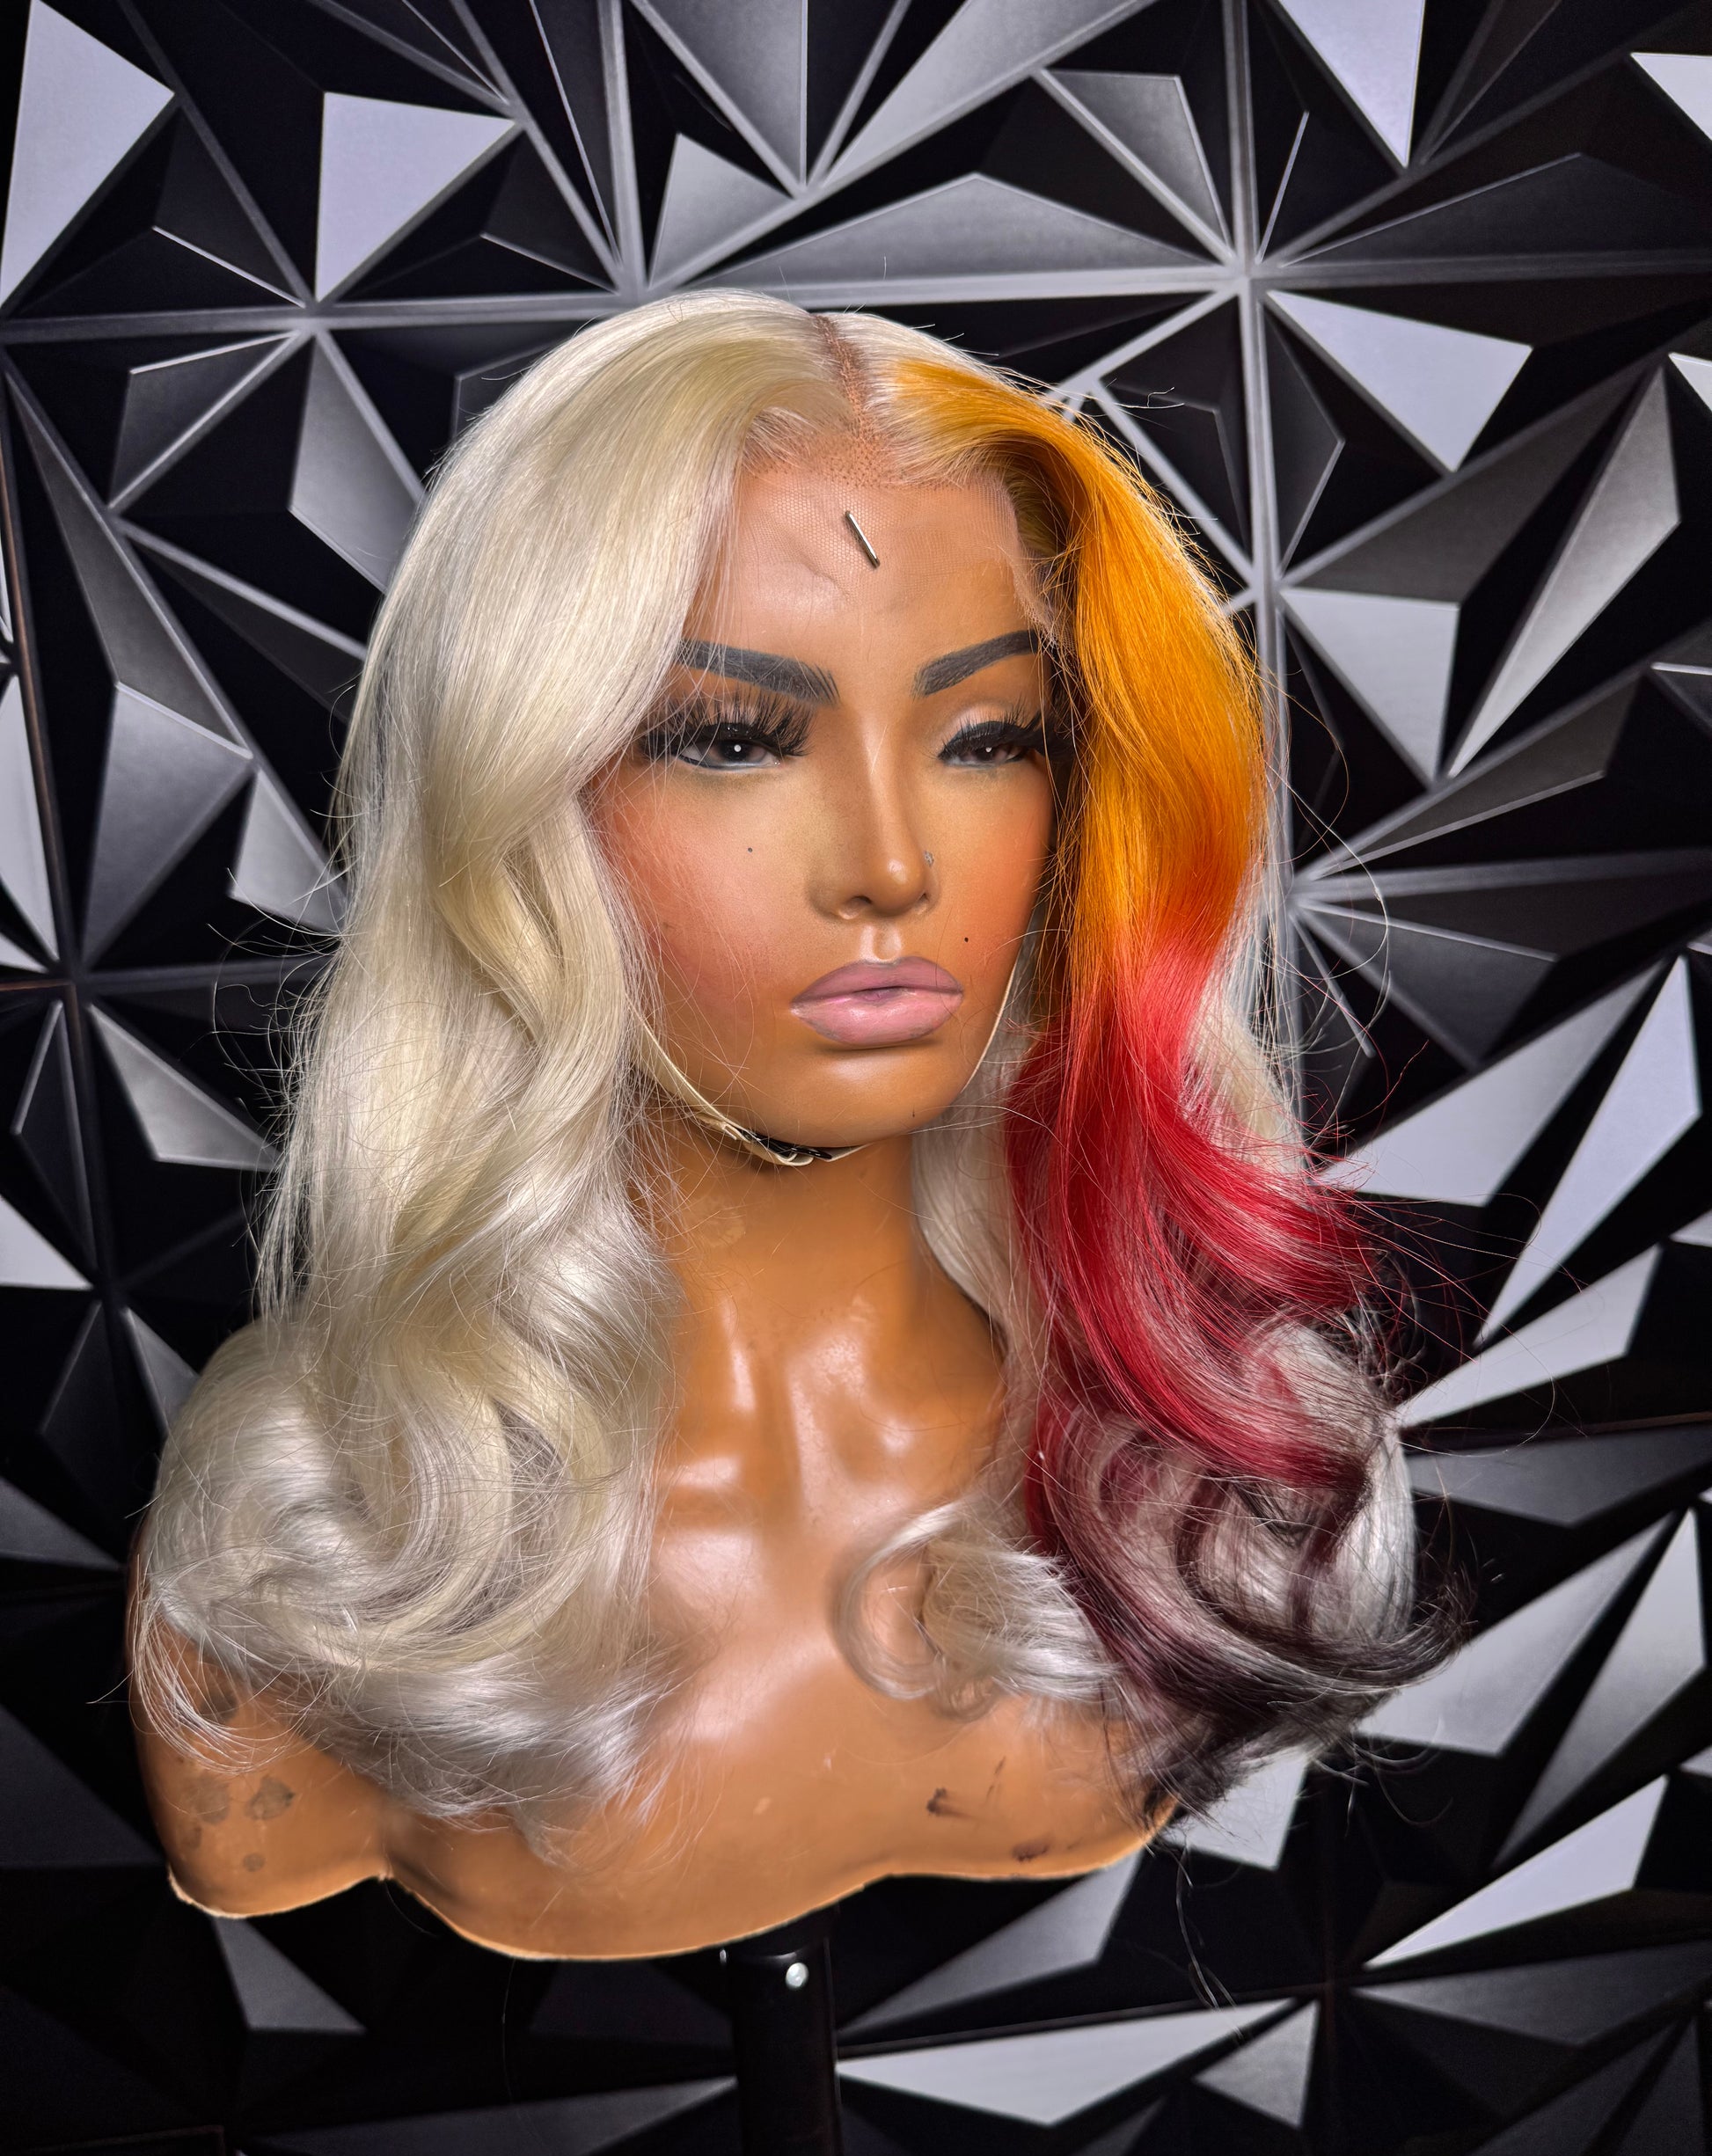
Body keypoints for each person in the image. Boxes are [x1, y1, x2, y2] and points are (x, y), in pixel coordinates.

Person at [126, 290, 1433, 1960]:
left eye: (986, 739)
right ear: (519, 803)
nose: (890, 863)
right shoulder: (302, 1570)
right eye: (734, 739)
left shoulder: (1175, 1481)